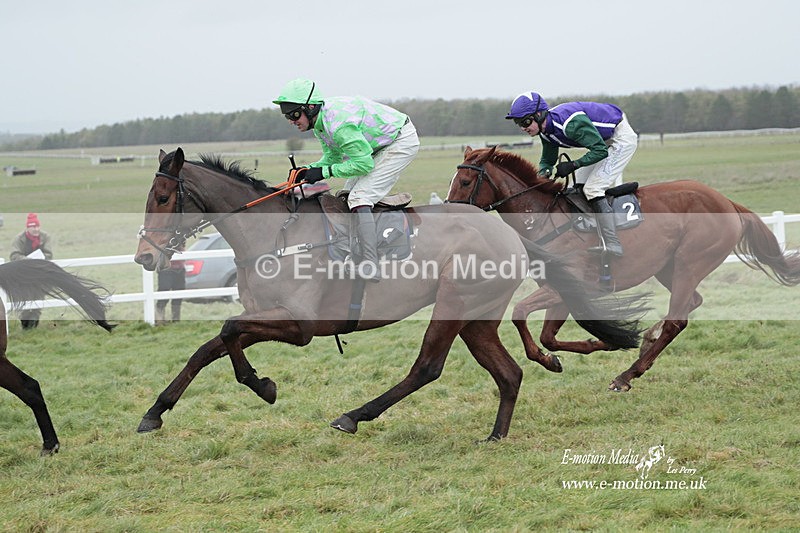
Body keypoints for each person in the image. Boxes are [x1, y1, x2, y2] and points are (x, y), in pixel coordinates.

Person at [273, 78, 420, 281]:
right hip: (376, 146)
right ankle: (355, 251)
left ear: (310, 107)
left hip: (400, 141)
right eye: (287, 116)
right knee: (346, 195)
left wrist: (324, 173)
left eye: (294, 114)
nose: (291, 120)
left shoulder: (339, 126)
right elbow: (332, 158)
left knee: (359, 198)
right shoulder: (320, 123)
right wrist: (310, 169)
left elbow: (364, 164)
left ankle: (370, 264)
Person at [505, 92, 638, 256]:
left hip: (620, 139)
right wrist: (542, 176)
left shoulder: (570, 125)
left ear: (539, 115)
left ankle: (613, 243)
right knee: (571, 187)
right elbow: (548, 159)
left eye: (525, 122)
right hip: (602, 141)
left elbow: (600, 151)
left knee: (593, 189)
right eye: (519, 123)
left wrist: (574, 165)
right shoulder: (545, 131)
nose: (523, 128)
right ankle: (588, 229)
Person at [9, 213, 54, 329]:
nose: (36, 229)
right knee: (24, 300)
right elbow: (14, 255)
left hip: (40, 275)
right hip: (23, 275)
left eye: (37, 226)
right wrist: (29, 261)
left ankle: (33, 327)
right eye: (33, 227)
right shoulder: (19, 239)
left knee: (38, 300)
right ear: (27, 228)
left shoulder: (45, 237)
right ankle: (25, 326)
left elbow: (49, 254)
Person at [155, 244, 186, 325]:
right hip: (166, 269)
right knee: (163, 293)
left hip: (179, 268)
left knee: (178, 294)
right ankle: (159, 319)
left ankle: (176, 319)